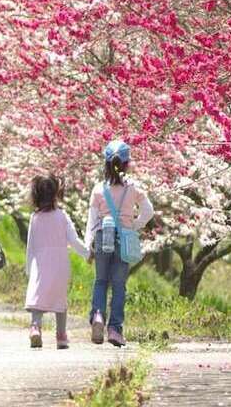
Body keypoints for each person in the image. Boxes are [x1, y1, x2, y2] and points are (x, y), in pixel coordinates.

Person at [85, 140, 154, 347]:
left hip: (102, 237)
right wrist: (133, 224)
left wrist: (89, 245)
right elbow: (148, 211)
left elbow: (92, 220)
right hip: (123, 238)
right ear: (126, 164)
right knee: (118, 286)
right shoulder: (133, 188)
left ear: (106, 164)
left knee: (100, 281)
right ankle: (115, 329)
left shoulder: (99, 189)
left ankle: (97, 316)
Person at [25, 174, 89, 349]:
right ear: (56, 194)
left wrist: (29, 269)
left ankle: (35, 327)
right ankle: (61, 336)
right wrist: (87, 253)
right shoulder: (62, 216)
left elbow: (30, 245)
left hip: (40, 263)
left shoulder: (34, 218)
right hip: (60, 264)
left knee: (38, 300)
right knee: (60, 301)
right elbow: (74, 241)